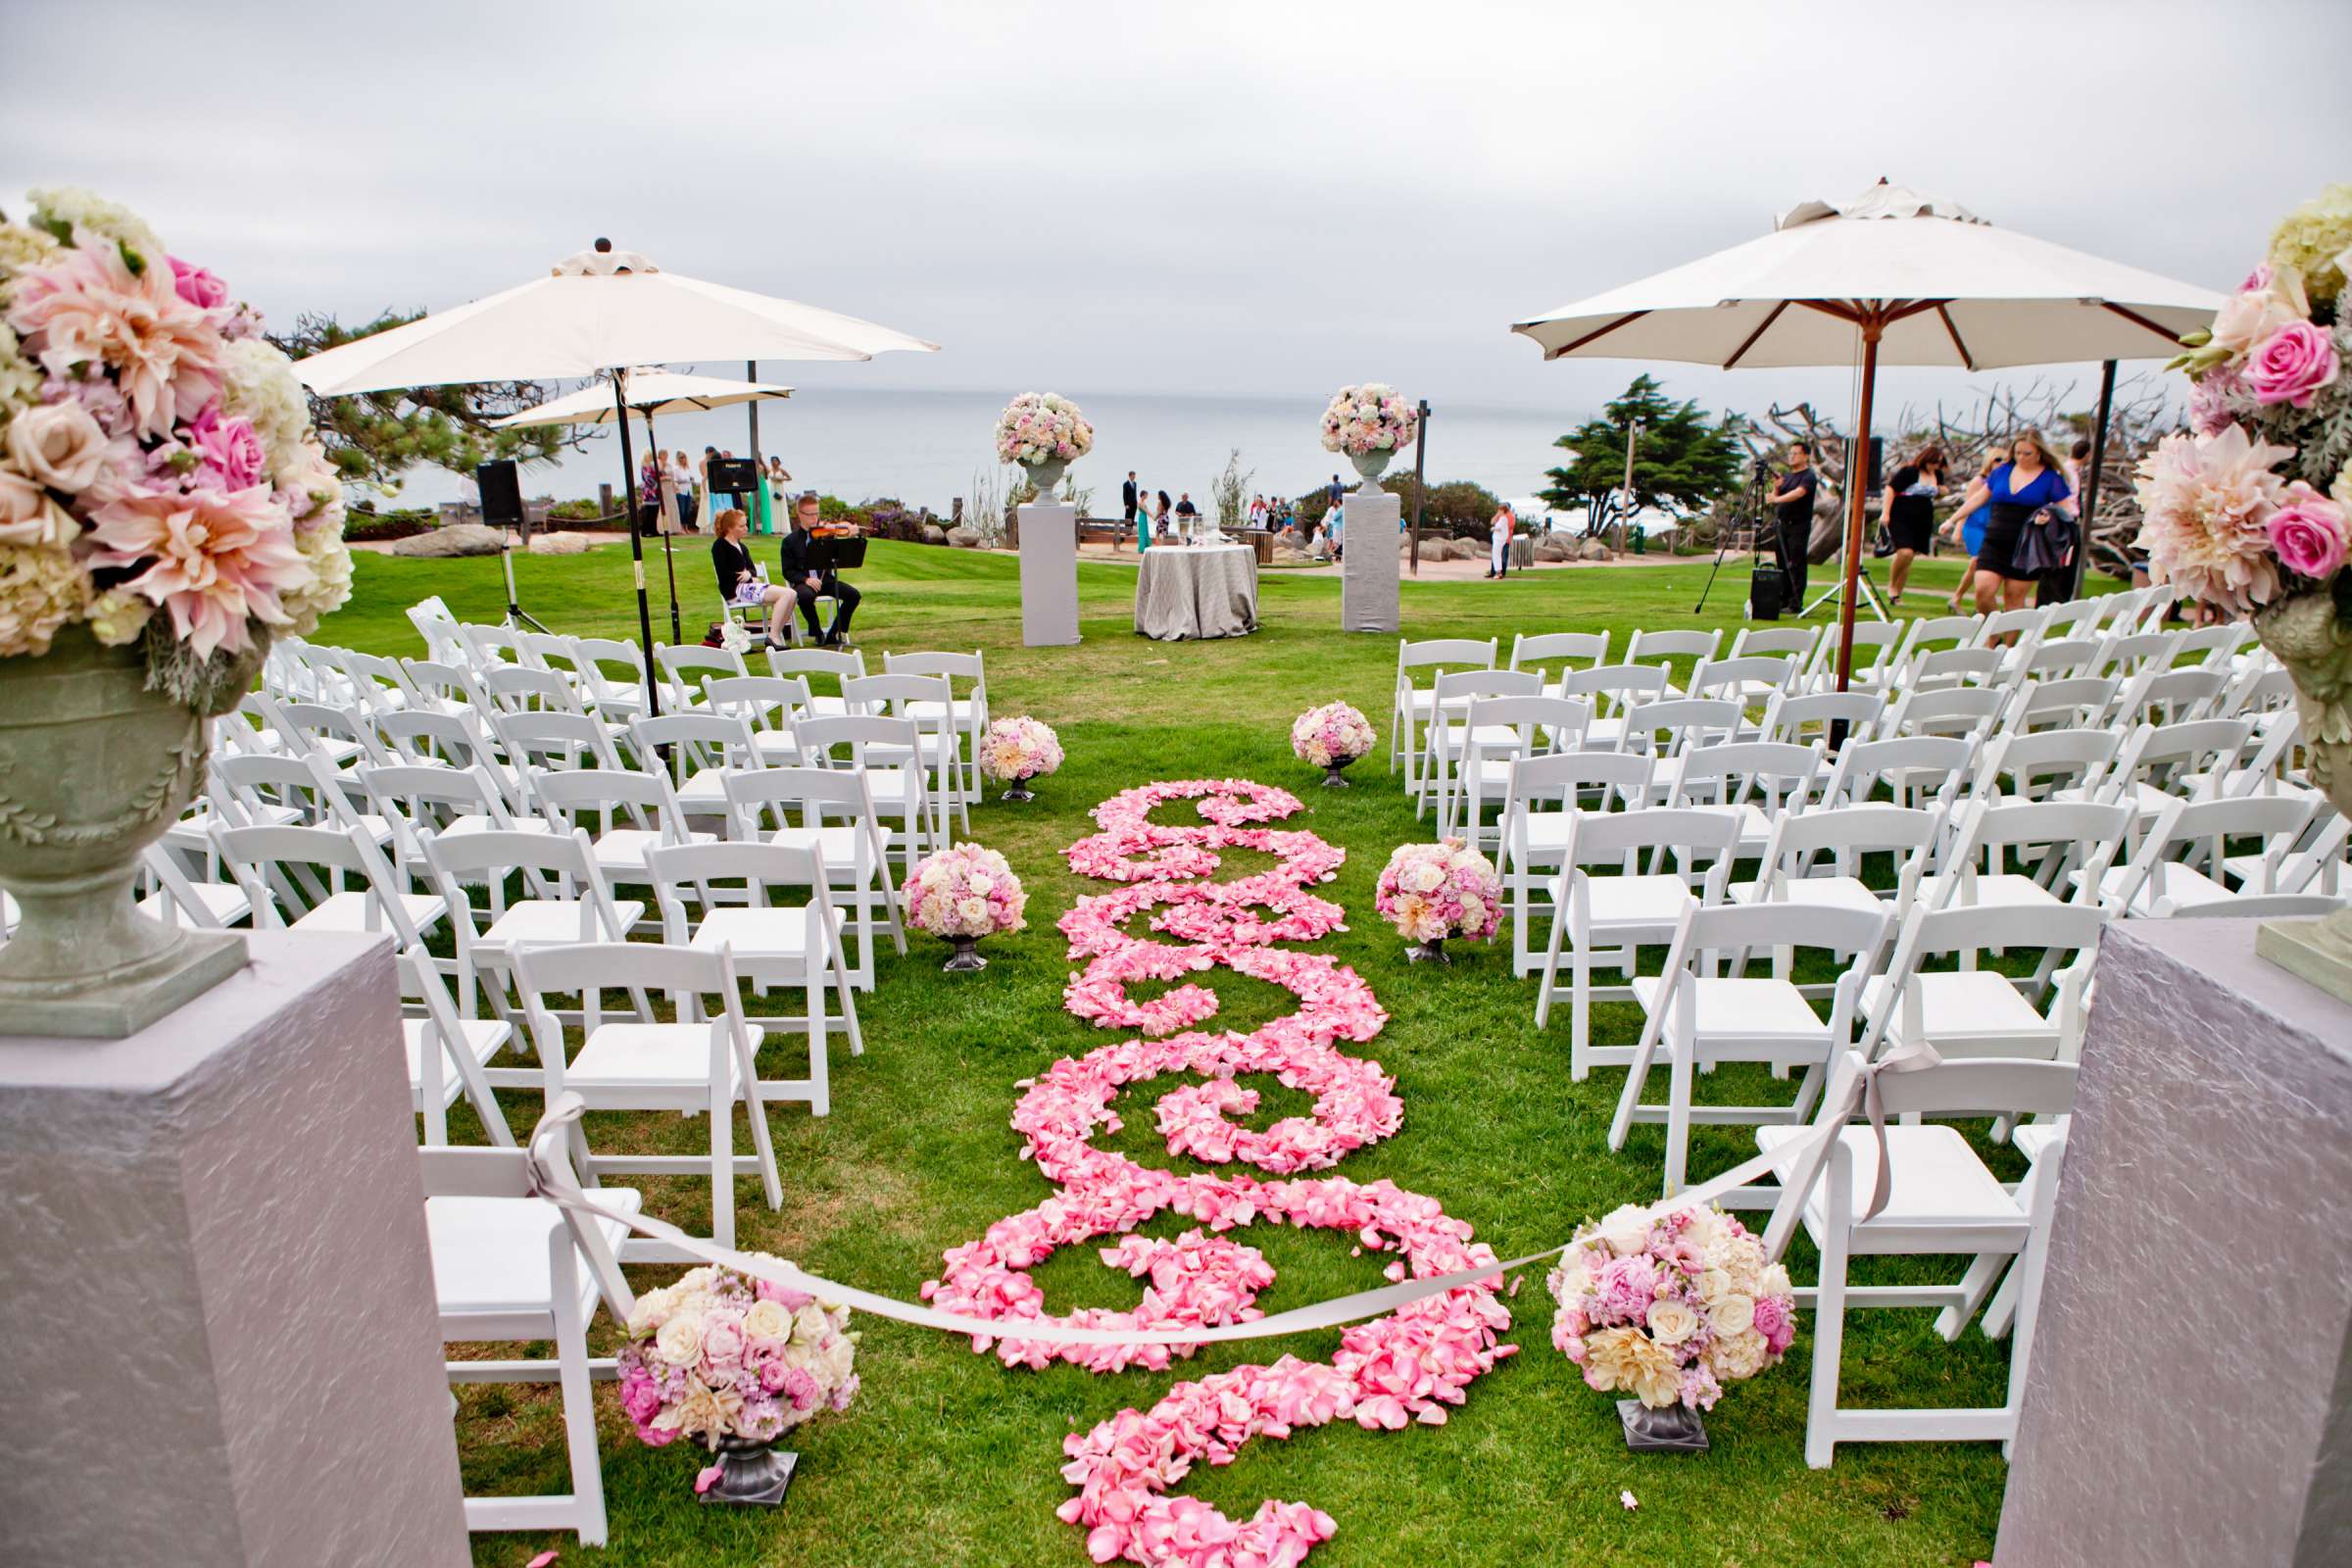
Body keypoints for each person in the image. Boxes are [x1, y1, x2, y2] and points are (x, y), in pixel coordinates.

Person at [1940, 428, 2074, 624]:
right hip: (1995, 540)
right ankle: (1994, 636)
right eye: (2018, 452)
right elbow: (1978, 498)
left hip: (2027, 545)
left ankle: (2007, 650)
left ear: (2039, 453)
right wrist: (1952, 520)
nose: (2021, 457)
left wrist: (2049, 517)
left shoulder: (2051, 478)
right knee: (1983, 590)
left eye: (2027, 453)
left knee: (2014, 599)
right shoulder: (2002, 472)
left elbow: (2065, 513)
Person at [777, 491, 861, 646]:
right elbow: (787, 571)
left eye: (816, 514)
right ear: (800, 514)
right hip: (805, 583)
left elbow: (842, 533)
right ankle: (817, 633)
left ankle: (834, 633)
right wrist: (806, 580)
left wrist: (851, 532)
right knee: (805, 597)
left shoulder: (825, 534)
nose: (814, 518)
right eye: (810, 514)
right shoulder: (790, 541)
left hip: (826, 581)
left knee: (853, 595)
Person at [711, 507, 790, 646]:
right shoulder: (720, 546)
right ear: (730, 528)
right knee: (785, 595)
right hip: (735, 591)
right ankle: (774, 636)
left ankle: (775, 633)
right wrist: (749, 578)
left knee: (792, 594)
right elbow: (724, 574)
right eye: (742, 526)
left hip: (748, 587)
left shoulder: (742, 546)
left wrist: (749, 575)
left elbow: (752, 570)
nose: (746, 528)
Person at [1880, 445, 1943, 605]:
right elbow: (1890, 490)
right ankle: (1891, 585)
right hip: (1901, 516)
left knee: (1910, 558)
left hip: (1923, 519)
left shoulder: (1938, 475)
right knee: (1905, 552)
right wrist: (1885, 513)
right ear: (1926, 459)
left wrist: (1942, 491)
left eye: (1939, 463)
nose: (1936, 466)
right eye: (1934, 462)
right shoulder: (1909, 472)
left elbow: (1938, 494)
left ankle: (1896, 595)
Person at [1939, 450, 2001, 611]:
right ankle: (1958, 597)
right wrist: (1957, 528)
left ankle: (1977, 601)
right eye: (1997, 460)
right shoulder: (1979, 481)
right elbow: (1969, 504)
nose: (2001, 463)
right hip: (1975, 526)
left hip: (1992, 526)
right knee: (1978, 560)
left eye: (2004, 460)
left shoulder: (2003, 481)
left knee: (1982, 565)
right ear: (1989, 461)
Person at [1765, 441, 1819, 605]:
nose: (1792, 456)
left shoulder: (1808, 476)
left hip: (1798, 525)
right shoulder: (1787, 477)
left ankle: (1796, 601)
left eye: (1796, 453)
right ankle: (1783, 597)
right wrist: (1776, 489)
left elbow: (1799, 493)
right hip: (1782, 524)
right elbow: (1773, 499)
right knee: (1781, 561)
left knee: (1796, 562)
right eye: (1790, 453)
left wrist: (1777, 498)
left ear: (1806, 456)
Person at [672, 449, 701, 533]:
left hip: (689, 490)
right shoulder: (676, 468)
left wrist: (691, 479)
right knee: (682, 510)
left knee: (688, 510)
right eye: (681, 457)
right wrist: (684, 480)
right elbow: (675, 480)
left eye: (684, 457)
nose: (683, 459)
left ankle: (686, 527)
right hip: (681, 491)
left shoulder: (687, 468)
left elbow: (691, 478)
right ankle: (681, 527)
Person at [1486, 501, 1516, 579]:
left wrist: (1493, 528)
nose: (1498, 511)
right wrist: (1497, 515)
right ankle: (1494, 572)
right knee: (1496, 556)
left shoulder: (1508, 517)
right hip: (1498, 539)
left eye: (1499, 509)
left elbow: (1503, 528)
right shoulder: (1501, 517)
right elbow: (1492, 522)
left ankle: (1500, 573)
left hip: (1503, 540)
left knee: (1502, 557)